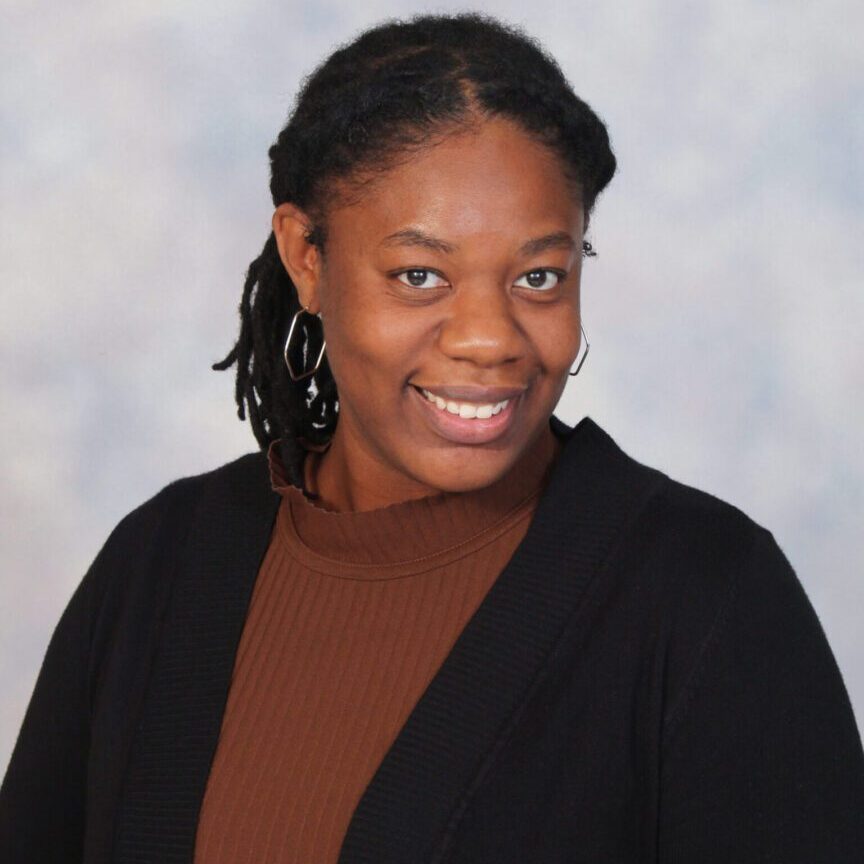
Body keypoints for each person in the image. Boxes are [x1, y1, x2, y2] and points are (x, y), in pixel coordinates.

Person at [1, 11, 862, 864]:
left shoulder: (707, 599)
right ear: (307, 256)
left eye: (538, 276)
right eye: (420, 275)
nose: (489, 337)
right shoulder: (160, 565)